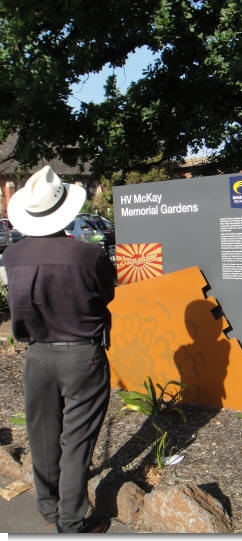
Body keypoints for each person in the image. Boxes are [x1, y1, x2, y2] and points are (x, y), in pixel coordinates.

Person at [3, 166, 116, 534]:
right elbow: (108, 293)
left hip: (37, 355)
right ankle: (70, 522)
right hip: (81, 355)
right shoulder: (87, 255)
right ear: (64, 208)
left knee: (43, 434)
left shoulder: (13, 255)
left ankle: (49, 506)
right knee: (77, 439)